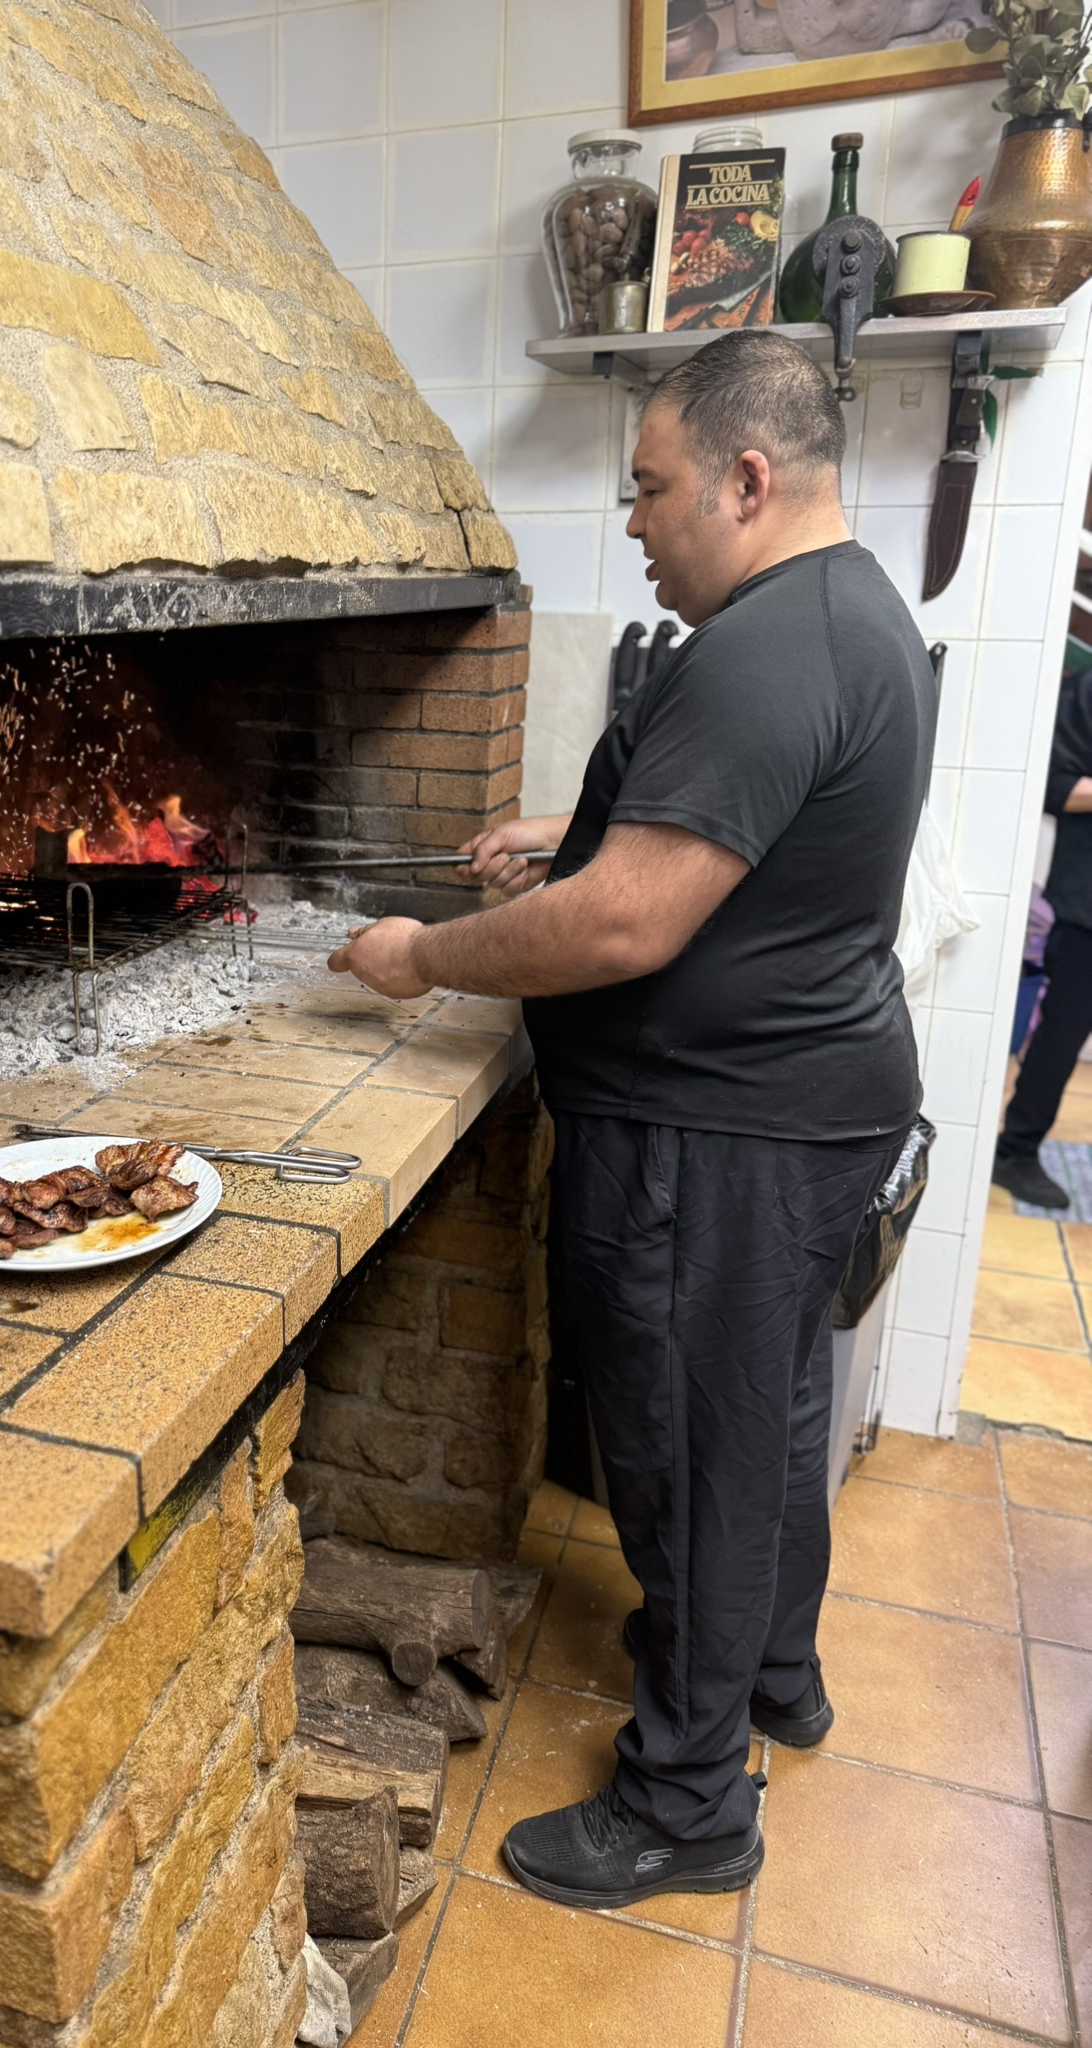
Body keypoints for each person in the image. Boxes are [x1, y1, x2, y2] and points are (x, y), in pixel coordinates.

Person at [328, 330, 936, 1910]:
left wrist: (420, 961)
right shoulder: (841, 611)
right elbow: (726, 840)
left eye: (652, 487)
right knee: (771, 1426)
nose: (635, 520)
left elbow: (623, 932)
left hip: (717, 1143)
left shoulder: (766, 648)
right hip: (799, 1121)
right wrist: (579, 829)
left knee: (692, 1457)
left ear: (746, 478)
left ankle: (686, 1805)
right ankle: (773, 1674)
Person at [992, 665, 1092, 1209]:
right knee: (1061, 1038)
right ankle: (1016, 1151)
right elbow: (1053, 785)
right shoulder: (1087, 692)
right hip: (1087, 906)